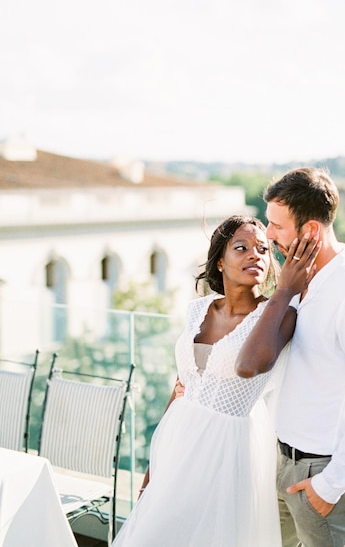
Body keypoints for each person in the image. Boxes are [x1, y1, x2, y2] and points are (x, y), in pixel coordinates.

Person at [112, 214, 319, 547]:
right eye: (242, 247)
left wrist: (284, 293)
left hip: (229, 448)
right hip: (179, 438)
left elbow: (256, 362)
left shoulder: (281, 314)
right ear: (220, 261)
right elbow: (181, 386)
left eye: (264, 249)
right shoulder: (197, 310)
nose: (256, 255)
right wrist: (153, 470)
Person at [235, 167, 345, 547]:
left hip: (322, 475)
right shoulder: (297, 281)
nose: (268, 234)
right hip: (281, 463)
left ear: (309, 231)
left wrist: (329, 485)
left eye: (276, 226)